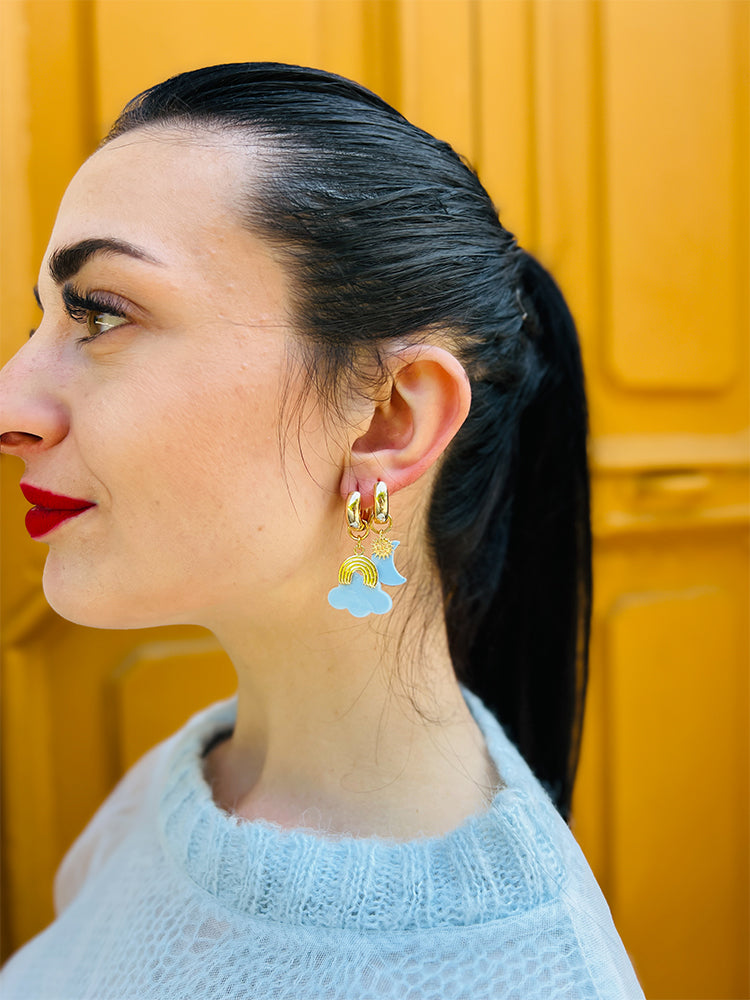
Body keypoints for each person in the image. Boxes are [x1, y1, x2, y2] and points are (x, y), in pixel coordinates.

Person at [0, 63, 643, 999]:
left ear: (389, 421)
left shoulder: (524, 976)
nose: (12, 402)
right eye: (44, 318)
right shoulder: (173, 791)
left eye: (100, 313)